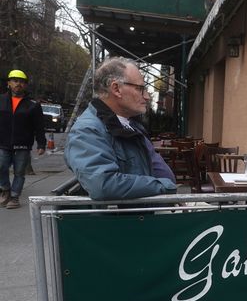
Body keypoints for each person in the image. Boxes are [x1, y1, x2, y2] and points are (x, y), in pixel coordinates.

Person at [65, 57, 177, 200]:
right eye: (140, 89)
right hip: (125, 219)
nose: (147, 96)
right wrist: (164, 186)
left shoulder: (129, 123)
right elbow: (104, 185)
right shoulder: (87, 130)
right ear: (116, 89)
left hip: (144, 214)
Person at [0, 69, 46, 209]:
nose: (18, 84)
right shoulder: (1, 100)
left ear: (25, 85)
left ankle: (14, 197)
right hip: (3, 143)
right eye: (15, 81)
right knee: (1, 166)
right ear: (9, 83)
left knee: (19, 172)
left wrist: (41, 144)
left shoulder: (33, 105)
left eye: (21, 82)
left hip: (23, 145)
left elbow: (39, 126)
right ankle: (5, 190)